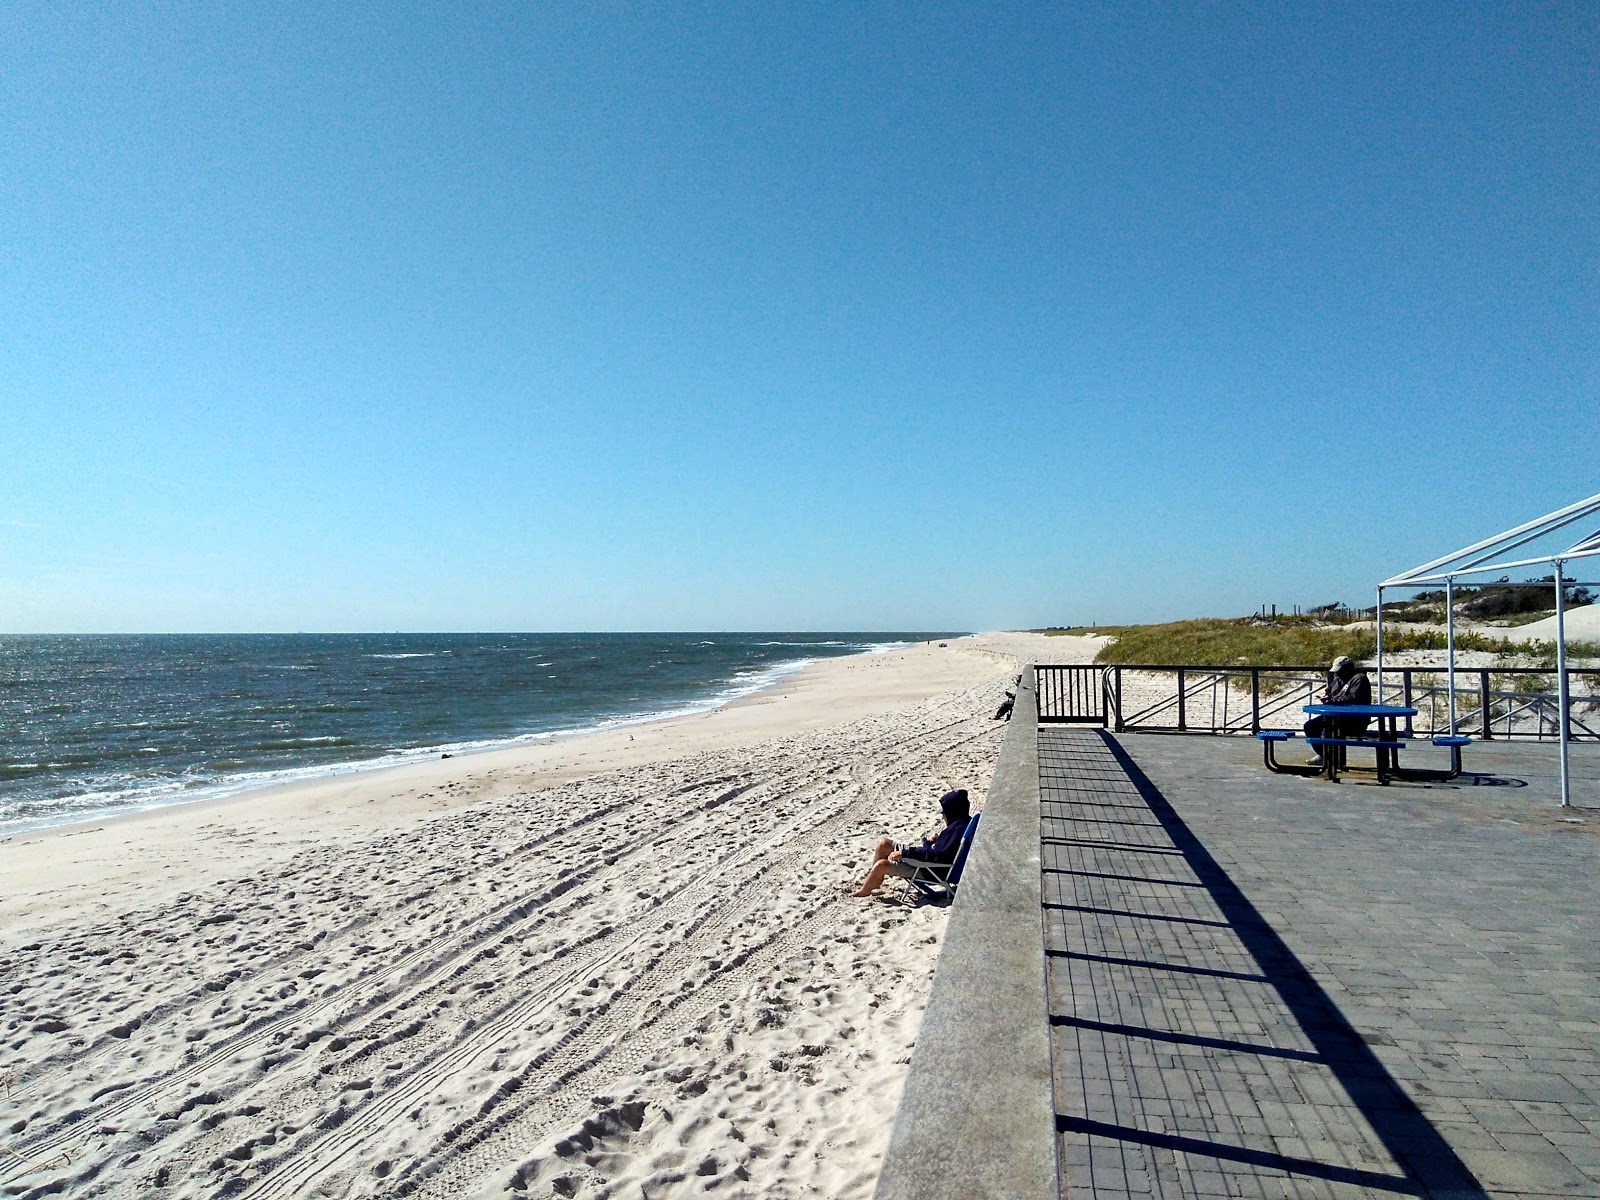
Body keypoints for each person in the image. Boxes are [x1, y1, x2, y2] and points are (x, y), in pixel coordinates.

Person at [851, 788, 972, 898]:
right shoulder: (962, 825)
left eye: (943, 813)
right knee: (883, 844)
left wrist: (905, 853)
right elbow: (940, 851)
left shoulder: (955, 830)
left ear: (952, 812)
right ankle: (873, 880)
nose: (943, 816)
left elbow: (934, 856)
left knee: (881, 866)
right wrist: (930, 843)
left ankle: (864, 891)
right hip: (927, 861)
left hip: (927, 869)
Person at [1304, 655, 1372, 767]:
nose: (1337, 673)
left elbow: (1354, 698)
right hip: (1336, 716)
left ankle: (1331, 757)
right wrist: (1327, 696)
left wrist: (1333, 700)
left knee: (1329, 728)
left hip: (1354, 720)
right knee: (1310, 726)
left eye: (1339, 670)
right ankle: (1326, 755)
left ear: (1348, 668)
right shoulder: (1339, 678)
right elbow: (1330, 690)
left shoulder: (1359, 678)